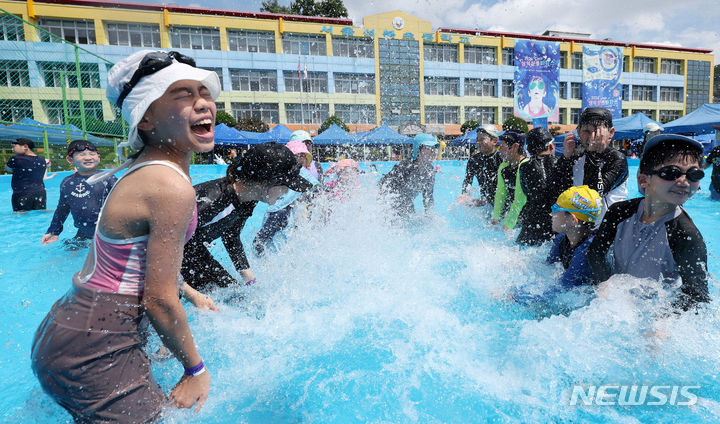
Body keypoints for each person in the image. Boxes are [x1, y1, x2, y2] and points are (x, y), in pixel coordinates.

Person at [31, 49, 221, 422]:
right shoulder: (168, 184)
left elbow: (126, 262)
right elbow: (158, 300)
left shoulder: (145, 170)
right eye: (182, 94)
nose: (202, 104)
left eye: (204, 92)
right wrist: (195, 370)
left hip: (69, 330)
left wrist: (190, 291)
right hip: (96, 346)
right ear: (146, 116)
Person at [587, 134, 710, 312]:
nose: (684, 182)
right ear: (644, 180)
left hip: (655, 308)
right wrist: (606, 282)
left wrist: (666, 319)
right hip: (618, 301)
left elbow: (698, 294)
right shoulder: (619, 213)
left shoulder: (685, 234)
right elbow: (596, 252)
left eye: (694, 174)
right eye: (671, 173)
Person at [183, 142, 313, 290]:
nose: (286, 192)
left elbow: (230, 236)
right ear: (262, 182)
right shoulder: (212, 200)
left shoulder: (248, 201)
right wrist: (189, 293)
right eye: (285, 186)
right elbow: (161, 245)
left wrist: (249, 279)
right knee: (230, 299)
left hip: (193, 254)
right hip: (170, 260)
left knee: (235, 297)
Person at [509, 186, 602, 303]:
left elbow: (561, 288)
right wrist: (519, 265)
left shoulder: (587, 251)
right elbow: (547, 267)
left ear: (573, 220)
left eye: (556, 208)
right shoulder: (562, 239)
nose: (551, 213)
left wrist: (514, 297)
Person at [551, 107, 628, 221]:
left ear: (611, 132)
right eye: (586, 131)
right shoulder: (575, 155)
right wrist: (564, 159)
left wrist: (594, 154)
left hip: (605, 227)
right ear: (578, 132)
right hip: (576, 226)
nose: (592, 137)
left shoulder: (617, 159)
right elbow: (554, 189)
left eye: (597, 131)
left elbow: (593, 196)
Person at [41, 140, 117, 246]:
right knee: (68, 252)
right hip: (83, 234)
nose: (88, 157)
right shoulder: (67, 183)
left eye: (92, 154)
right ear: (69, 159)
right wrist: (53, 231)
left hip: (107, 233)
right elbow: (62, 209)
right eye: (81, 154)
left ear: (99, 157)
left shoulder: (108, 178)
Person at [251, 139, 317, 257]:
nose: (301, 159)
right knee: (262, 242)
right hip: (279, 213)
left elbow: (314, 187)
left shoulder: (300, 175)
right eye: (297, 155)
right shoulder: (280, 209)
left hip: (286, 214)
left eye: (303, 156)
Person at [378, 133, 439, 217]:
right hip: (389, 198)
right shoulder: (405, 167)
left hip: (406, 200)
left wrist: (430, 216)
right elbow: (387, 186)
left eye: (434, 148)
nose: (432, 151)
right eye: (428, 148)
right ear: (418, 150)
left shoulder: (430, 171)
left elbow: (428, 197)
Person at [491, 130, 529, 231]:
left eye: (502, 146)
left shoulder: (526, 166)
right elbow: (500, 194)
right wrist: (496, 217)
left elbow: (520, 200)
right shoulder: (504, 167)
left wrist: (508, 223)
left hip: (528, 217)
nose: (499, 150)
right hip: (515, 215)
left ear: (515, 147)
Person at [458, 124, 502, 207]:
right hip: (486, 206)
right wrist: (465, 196)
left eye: (482, 139)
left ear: (494, 141)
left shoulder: (501, 159)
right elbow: (467, 181)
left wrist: (484, 200)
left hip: (502, 206)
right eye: (477, 139)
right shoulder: (474, 160)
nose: (478, 142)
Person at [5, 137, 47, 212]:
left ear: (25, 146)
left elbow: (8, 168)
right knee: (40, 216)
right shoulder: (42, 159)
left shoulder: (16, 159)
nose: (12, 149)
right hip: (41, 194)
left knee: (20, 218)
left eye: (14, 146)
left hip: (22, 194)